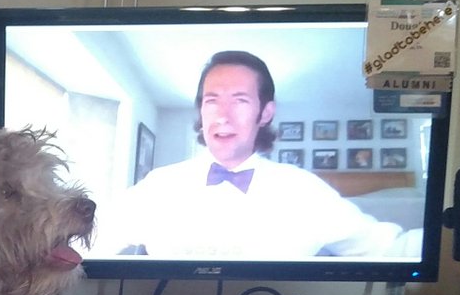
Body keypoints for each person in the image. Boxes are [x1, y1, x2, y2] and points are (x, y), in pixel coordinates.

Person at [92, 51, 420, 259]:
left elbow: (391, 249)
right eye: (211, 100)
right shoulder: (159, 185)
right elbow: (90, 241)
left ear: (265, 113)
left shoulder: (306, 191)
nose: (222, 116)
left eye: (239, 100)